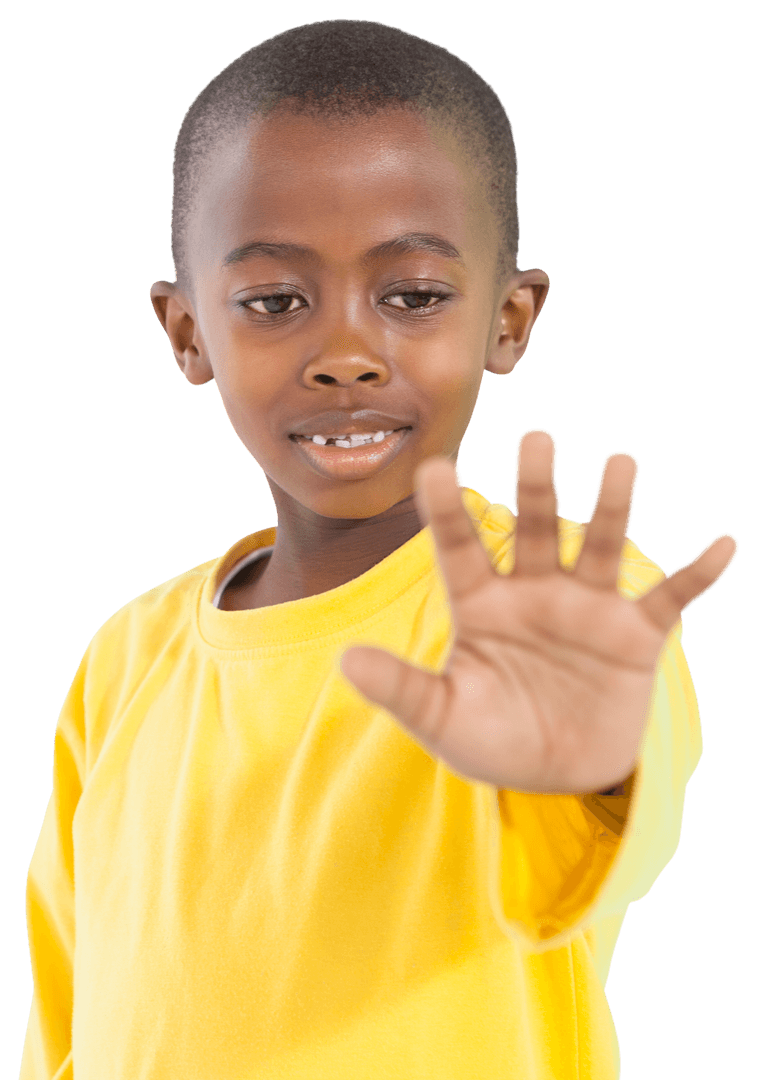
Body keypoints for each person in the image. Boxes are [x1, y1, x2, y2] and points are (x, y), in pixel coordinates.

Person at [19, 19, 738, 1080]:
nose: (346, 355)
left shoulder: (561, 609)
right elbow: (67, 1019)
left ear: (507, 318)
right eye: (274, 302)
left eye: (411, 297)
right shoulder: (123, 660)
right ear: (187, 335)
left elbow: (609, 826)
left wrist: (586, 766)